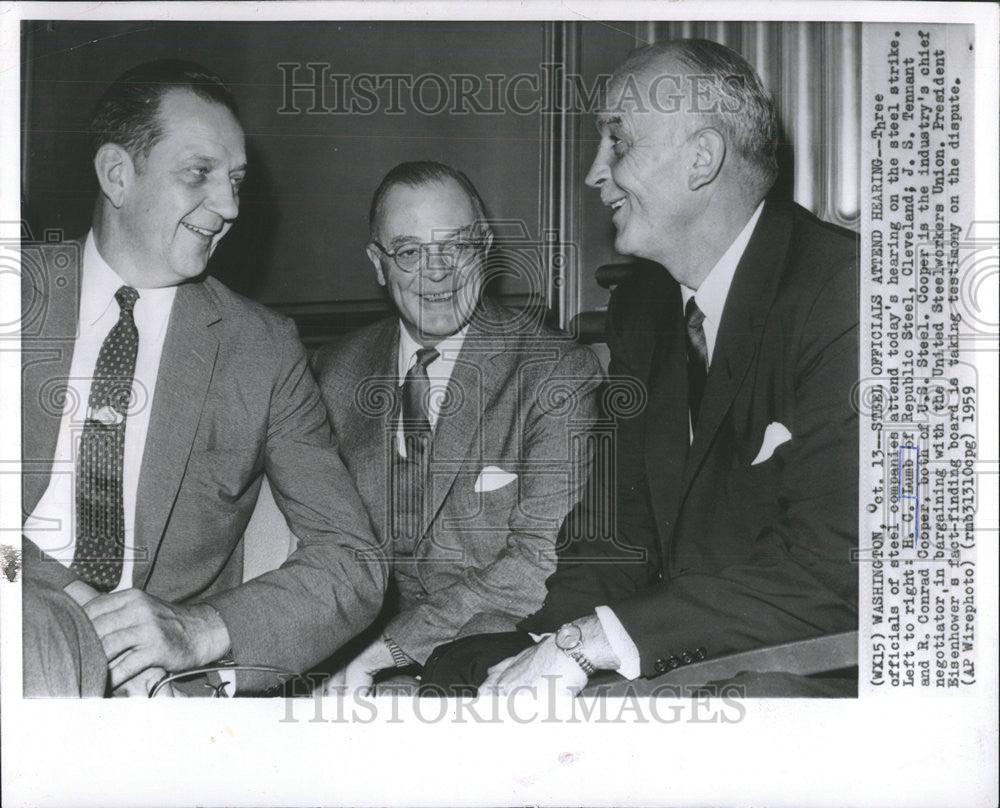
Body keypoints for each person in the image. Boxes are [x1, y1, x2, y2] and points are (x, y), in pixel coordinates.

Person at [422, 39, 859, 697]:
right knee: (461, 668)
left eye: (618, 144)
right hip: (674, 650)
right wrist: (555, 643)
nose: (595, 174)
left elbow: (832, 572)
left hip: (802, 659)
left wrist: (601, 640)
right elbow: (611, 534)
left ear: (702, 158)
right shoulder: (644, 307)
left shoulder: (850, 295)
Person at [21, 60, 386, 696]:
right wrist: (67, 602)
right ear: (117, 174)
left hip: (156, 690)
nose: (229, 206)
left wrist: (201, 630)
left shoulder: (260, 349)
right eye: (200, 174)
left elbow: (352, 562)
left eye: (237, 181)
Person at [311, 161, 603, 691]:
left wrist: (385, 654)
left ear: (486, 246)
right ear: (379, 264)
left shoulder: (554, 371)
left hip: (492, 666)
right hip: (345, 661)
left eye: (457, 246)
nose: (438, 271)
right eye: (409, 252)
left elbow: (537, 564)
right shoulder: (334, 372)